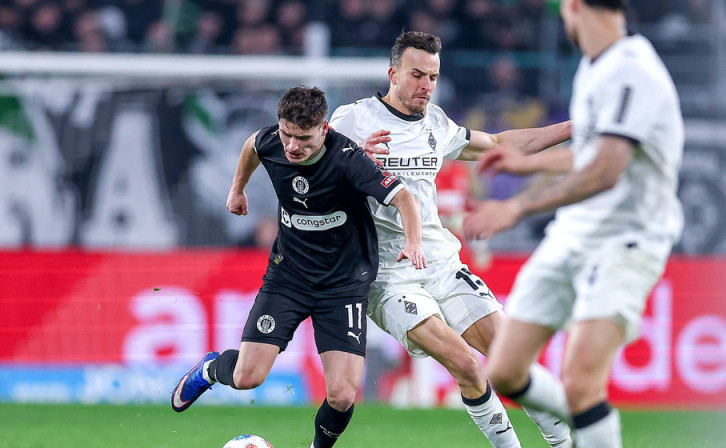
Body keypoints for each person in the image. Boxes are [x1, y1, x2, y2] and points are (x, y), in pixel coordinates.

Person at [329, 31, 573, 448]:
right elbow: (306, 169)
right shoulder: (351, 120)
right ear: (393, 74)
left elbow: (499, 143)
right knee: (466, 364)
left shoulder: (436, 124)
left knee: (511, 359)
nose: (426, 85)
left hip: (441, 262)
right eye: (417, 75)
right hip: (388, 276)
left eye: (433, 77)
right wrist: (346, 161)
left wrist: (572, 127)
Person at [463, 1, 685, 447]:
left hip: (627, 239)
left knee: (581, 382)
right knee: (505, 369)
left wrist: (518, 207)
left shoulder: (633, 69)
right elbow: (590, 151)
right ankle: (594, 424)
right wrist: (528, 164)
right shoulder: (593, 65)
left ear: (575, 6)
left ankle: (591, 421)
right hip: (574, 232)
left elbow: (605, 170)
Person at [171, 86, 427, 448]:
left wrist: (413, 242)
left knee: (342, 395)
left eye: (303, 138)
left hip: (343, 286)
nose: (292, 146)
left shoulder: (349, 160)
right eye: (286, 134)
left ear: (324, 128)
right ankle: (210, 368)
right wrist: (237, 189)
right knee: (246, 377)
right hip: (288, 278)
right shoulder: (272, 142)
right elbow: (252, 145)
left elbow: (403, 197)